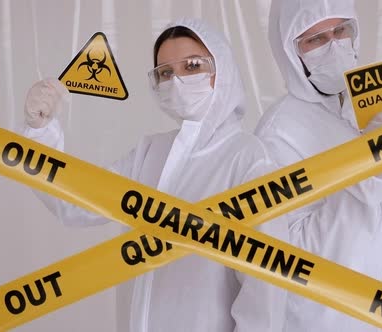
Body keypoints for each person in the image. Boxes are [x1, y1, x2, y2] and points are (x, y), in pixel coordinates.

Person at [22, 18, 288, 332]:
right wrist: (39, 134)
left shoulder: (248, 159)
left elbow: (265, 287)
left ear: (223, 70)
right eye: (166, 73)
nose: (176, 82)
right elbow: (76, 202)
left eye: (192, 66)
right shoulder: (152, 152)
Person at [255, 0, 382, 330]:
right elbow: (291, 256)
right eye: (316, 40)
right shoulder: (278, 132)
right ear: (290, 53)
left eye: (341, 30)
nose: (335, 45)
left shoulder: (362, 113)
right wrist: (364, 165)